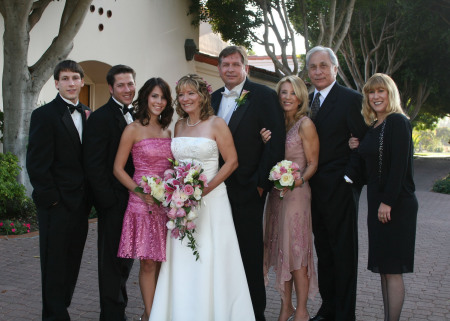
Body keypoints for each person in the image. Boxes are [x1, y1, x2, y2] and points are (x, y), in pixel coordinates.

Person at [149, 74, 255, 321]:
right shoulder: (179, 125)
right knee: (184, 254)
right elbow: (175, 164)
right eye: (181, 94)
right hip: (181, 202)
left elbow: (232, 162)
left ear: (203, 95)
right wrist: (176, 189)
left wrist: (206, 188)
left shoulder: (217, 123)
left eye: (191, 93)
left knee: (210, 254)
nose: (185, 99)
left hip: (212, 200)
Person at [211, 45, 286, 321]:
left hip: (247, 189)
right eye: (225, 64)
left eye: (235, 64)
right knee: (220, 251)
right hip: (214, 190)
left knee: (249, 253)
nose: (229, 69)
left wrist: (260, 185)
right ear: (219, 69)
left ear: (246, 68)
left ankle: (255, 313)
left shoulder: (264, 96)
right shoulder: (212, 98)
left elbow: (275, 143)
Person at [305, 46, 368, 321]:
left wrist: (349, 179)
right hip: (312, 191)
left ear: (335, 68)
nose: (318, 71)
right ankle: (328, 307)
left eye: (323, 65)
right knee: (325, 252)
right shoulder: (306, 102)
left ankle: (345, 314)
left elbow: (363, 142)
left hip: (340, 190)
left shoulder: (351, 99)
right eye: (313, 67)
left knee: (343, 253)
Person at [349, 73, 418, 321]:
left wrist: (387, 202)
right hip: (378, 204)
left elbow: (399, 166)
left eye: (381, 91)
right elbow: (372, 169)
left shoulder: (397, 122)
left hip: (395, 205)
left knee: (393, 269)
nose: (376, 96)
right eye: (371, 92)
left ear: (390, 94)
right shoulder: (374, 126)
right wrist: (357, 148)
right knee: (385, 270)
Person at [26, 60, 91, 321]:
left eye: (75, 78)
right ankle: (55, 316)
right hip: (55, 206)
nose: (71, 83)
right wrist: (52, 200)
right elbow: (36, 163)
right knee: (53, 266)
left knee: (72, 264)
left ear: (82, 82)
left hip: (81, 205)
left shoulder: (89, 114)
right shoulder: (43, 115)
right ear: (56, 83)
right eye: (65, 78)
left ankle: (57, 310)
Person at [113, 78, 174, 320]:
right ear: (145, 98)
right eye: (154, 96)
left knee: (162, 261)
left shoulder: (168, 130)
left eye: (163, 97)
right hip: (142, 205)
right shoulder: (133, 129)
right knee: (148, 262)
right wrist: (141, 193)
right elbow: (118, 168)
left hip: (167, 206)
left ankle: (158, 311)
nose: (159, 102)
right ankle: (150, 314)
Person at [261, 75, 319, 321]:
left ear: (301, 97)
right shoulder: (275, 123)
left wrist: (297, 181)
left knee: (296, 251)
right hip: (276, 195)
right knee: (280, 250)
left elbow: (313, 164)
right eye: (283, 92)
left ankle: (302, 309)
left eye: (292, 93)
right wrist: (264, 141)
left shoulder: (305, 124)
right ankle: (286, 306)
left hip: (297, 194)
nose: (287, 97)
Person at [83, 65, 136, 321]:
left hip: (135, 201)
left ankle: (120, 310)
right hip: (113, 203)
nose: (128, 89)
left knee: (126, 260)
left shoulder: (137, 115)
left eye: (131, 83)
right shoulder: (101, 117)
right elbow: (93, 164)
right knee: (111, 262)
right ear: (112, 88)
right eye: (122, 85)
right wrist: (108, 203)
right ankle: (112, 315)